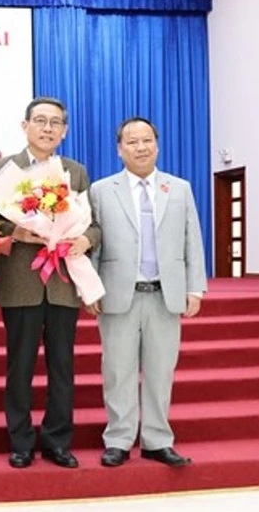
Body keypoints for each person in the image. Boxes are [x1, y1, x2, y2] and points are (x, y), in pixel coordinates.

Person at [0, 97, 99, 470]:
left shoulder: (75, 172)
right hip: (21, 283)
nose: (47, 128)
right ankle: (20, 442)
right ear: (25, 126)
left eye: (55, 123)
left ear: (64, 131)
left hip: (64, 282)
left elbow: (94, 224)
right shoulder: (3, 169)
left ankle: (57, 441)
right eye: (40, 121)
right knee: (19, 367)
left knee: (62, 366)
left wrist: (86, 240)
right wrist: (15, 231)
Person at [89, 117, 206, 468]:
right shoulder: (101, 190)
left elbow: (192, 240)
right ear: (119, 149)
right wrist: (91, 288)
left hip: (165, 294)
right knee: (118, 371)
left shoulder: (179, 188)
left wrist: (195, 287)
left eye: (146, 140)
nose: (140, 147)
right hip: (117, 293)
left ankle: (157, 440)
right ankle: (119, 439)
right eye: (132, 142)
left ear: (157, 144)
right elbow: (94, 243)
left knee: (160, 371)